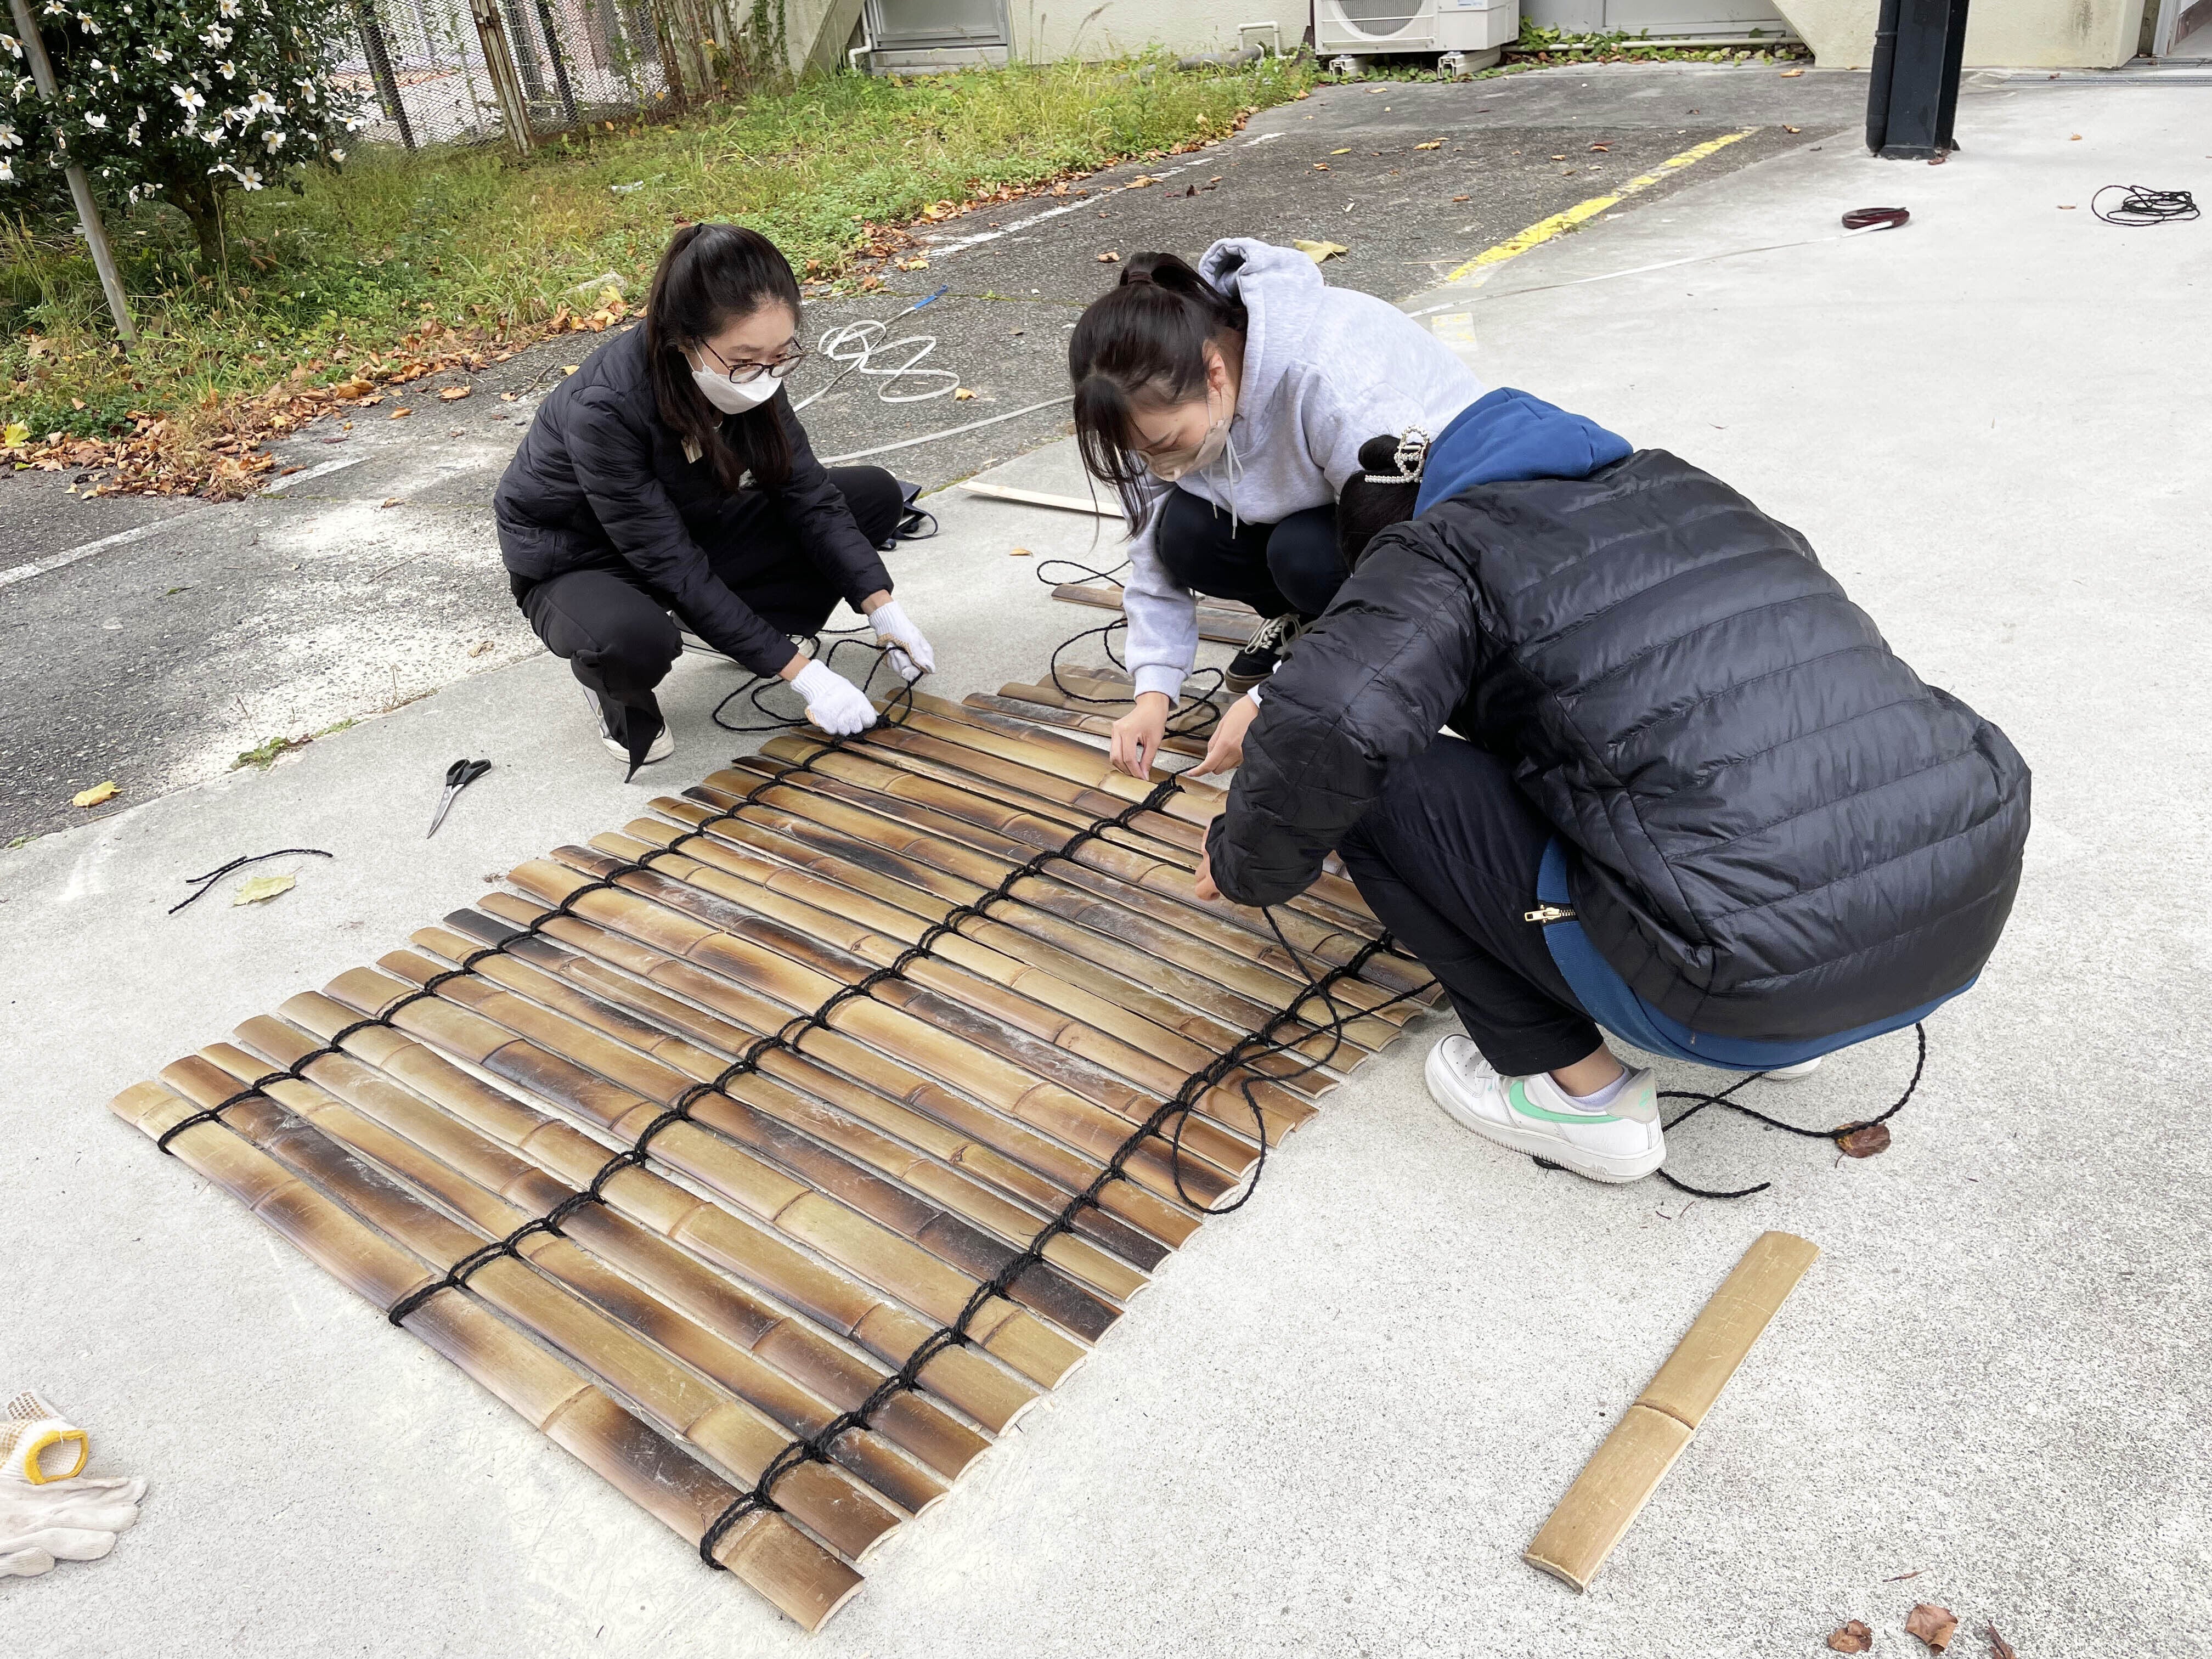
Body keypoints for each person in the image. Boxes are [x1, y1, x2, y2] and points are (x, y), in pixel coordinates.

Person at [1195, 387, 2032, 1184]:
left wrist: (1243, 857)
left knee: (1372, 788)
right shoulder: (1689, 489)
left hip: (1734, 981)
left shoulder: (1443, 546)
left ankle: (1580, 1097)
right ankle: (1801, 1024)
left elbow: (1333, 729)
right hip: (1958, 903)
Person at [493, 222, 936, 776]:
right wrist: (806, 677)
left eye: (780, 355)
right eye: (745, 359)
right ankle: (614, 688)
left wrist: (882, 607)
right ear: (684, 340)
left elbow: (808, 495)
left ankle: (736, 632)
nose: (764, 374)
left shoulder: (752, 371)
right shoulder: (605, 407)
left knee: (870, 495)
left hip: (684, 526)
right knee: (630, 639)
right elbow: (670, 562)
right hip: (579, 559)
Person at [1068, 240, 1487, 778]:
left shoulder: (1334, 383)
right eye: (1144, 453)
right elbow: (1151, 559)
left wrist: (1274, 697)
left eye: (1167, 445)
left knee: (1305, 555)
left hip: (1441, 523)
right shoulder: (1148, 404)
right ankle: (1308, 623)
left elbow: (1402, 570)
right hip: (1330, 504)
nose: (1160, 466)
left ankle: (1333, 645)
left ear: (1214, 374)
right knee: (1184, 536)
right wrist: (1153, 692)